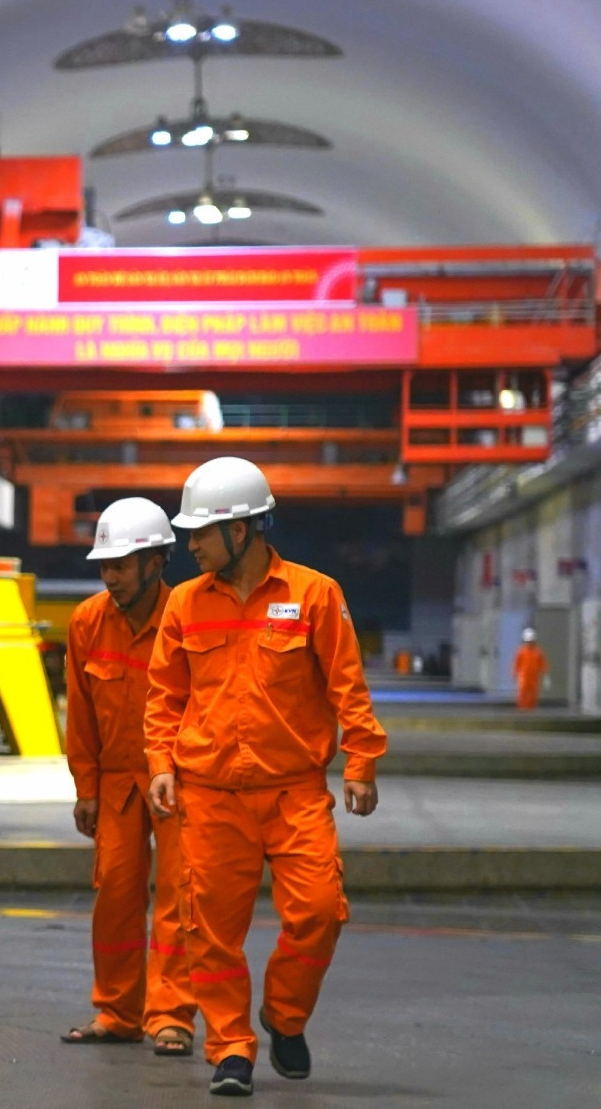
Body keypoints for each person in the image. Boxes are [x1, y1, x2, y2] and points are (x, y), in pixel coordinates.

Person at [144, 457, 388, 1098]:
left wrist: (361, 760)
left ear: (243, 530)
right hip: (209, 795)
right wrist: (161, 765)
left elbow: (347, 687)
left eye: (199, 533)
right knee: (210, 931)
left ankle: (284, 1016)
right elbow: (163, 699)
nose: (188, 544)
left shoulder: (314, 595)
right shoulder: (183, 605)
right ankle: (230, 1049)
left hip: (294, 794)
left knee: (318, 914)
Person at [58, 498, 197, 1057]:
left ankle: (170, 1016)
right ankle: (117, 1011)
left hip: (179, 781)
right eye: (104, 566)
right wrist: (85, 788)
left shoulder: (186, 617)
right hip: (115, 784)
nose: (109, 577)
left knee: (178, 898)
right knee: (115, 892)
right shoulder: (88, 621)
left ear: (157, 562)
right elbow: (81, 714)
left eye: (120, 566)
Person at [512, 627, 548, 711]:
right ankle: (522, 710)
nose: (530, 643)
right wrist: (514, 674)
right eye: (528, 641)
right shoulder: (521, 651)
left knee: (533, 694)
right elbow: (516, 663)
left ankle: (531, 711)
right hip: (524, 676)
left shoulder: (537, 652)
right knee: (522, 694)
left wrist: (546, 675)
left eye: (531, 641)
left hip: (534, 677)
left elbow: (542, 663)